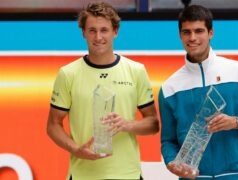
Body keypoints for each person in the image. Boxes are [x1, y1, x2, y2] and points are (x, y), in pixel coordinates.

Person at [158, 4, 238, 180]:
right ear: (180, 35)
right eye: (186, 32)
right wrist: (172, 163)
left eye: (199, 31)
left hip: (235, 175)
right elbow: (168, 141)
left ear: (211, 33)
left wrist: (236, 122)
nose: (193, 37)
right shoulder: (169, 88)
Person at [46, 2, 159, 180]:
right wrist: (76, 149)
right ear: (83, 32)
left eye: (104, 30)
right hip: (82, 175)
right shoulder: (68, 74)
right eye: (92, 30)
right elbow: (53, 125)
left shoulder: (136, 70)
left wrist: (127, 125)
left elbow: (153, 123)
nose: (98, 37)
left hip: (127, 174)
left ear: (115, 31)